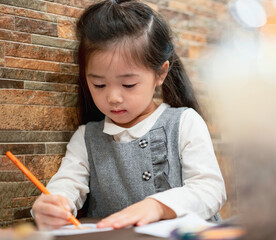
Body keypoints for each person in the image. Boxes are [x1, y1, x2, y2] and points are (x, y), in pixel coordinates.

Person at [31, 0, 226, 230]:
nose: (113, 97)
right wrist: (52, 205)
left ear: (160, 73)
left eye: (129, 84)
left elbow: (210, 190)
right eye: (99, 85)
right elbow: (68, 183)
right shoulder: (87, 138)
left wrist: (157, 206)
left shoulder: (184, 122)